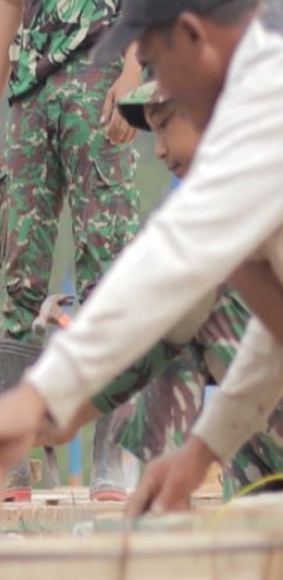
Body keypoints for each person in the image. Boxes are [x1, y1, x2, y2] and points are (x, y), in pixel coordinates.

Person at [0, 0, 283, 518]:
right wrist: (199, 453)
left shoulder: (265, 107)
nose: (152, 86)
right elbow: (273, 337)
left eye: (154, 66)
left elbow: (172, 256)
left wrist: (38, 399)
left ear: (193, 37)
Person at [36, 81, 283, 500]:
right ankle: (168, 502)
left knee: (181, 324)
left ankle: (162, 504)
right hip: (259, 436)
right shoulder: (214, 214)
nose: (160, 150)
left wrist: (60, 407)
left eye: (166, 125)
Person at [0, 0, 147, 500]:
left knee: (110, 272)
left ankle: (111, 459)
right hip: (30, 88)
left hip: (99, 75)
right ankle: (13, 462)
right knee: (21, 278)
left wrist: (133, 70)